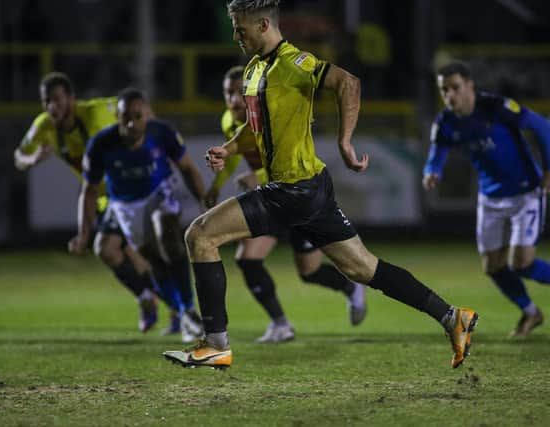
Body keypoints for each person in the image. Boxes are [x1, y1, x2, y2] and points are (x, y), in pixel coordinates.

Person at [163, 0, 478, 369]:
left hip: (292, 189)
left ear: (264, 24)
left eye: (241, 29)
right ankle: (452, 316)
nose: (236, 36)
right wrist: (229, 148)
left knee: (200, 236)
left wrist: (345, 141)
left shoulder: (293, 62)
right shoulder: (253, 69)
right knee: (364, 269)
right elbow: (256, 126)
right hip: (309, 189)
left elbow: (348, 83)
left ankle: (216, 344)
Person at [202, 65, 367, 342]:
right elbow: (233, 157)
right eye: (226, 93)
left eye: (237, 93)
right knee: (247, 259)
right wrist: (215, 186)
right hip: (272, 199)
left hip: (298, 195)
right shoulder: (229, 122)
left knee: (309, 271)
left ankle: (351, 288)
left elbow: (293, 166)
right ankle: (281, 324)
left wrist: (258, 175)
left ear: (251, 95)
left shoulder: (271, 116)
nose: (231, 100)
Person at [15, 72, 166, 334]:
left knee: (125, 251)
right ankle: (157, 300)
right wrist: (32, 160)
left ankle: (172, 305)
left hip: (133, 190)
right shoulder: (44, 126)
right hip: (104, 197)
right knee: (114, 252)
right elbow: (19, 156)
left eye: (57, 100)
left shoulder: (95, 115)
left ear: (71, 99)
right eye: (45, 101)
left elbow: (134, 108)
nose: (51, 107)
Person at [69, 87, 206, 342]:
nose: (132, 123)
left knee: (168, 240)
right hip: (124, 206)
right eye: (125, 118)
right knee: (151, 260)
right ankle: (181, 311)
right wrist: (83, 233)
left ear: (146, 116)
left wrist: (205, 204)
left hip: (159, 192)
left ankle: (188, 309)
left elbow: (187, 168)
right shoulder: (100, 144)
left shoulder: (162, 133)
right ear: (117, 118)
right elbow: (88, 192)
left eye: (137, 116)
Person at [423, 61, 550, 337]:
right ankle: (531, 313)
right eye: (445, 90)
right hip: (490, 198)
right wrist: (432, 172)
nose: (450, 95)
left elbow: (543, 127)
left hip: (525, 192)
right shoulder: (445, 122)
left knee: (522, 263)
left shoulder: (497, 107)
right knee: (492, 266)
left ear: (470, 86)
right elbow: (437, 153)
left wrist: (549, 171)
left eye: (455, 87)